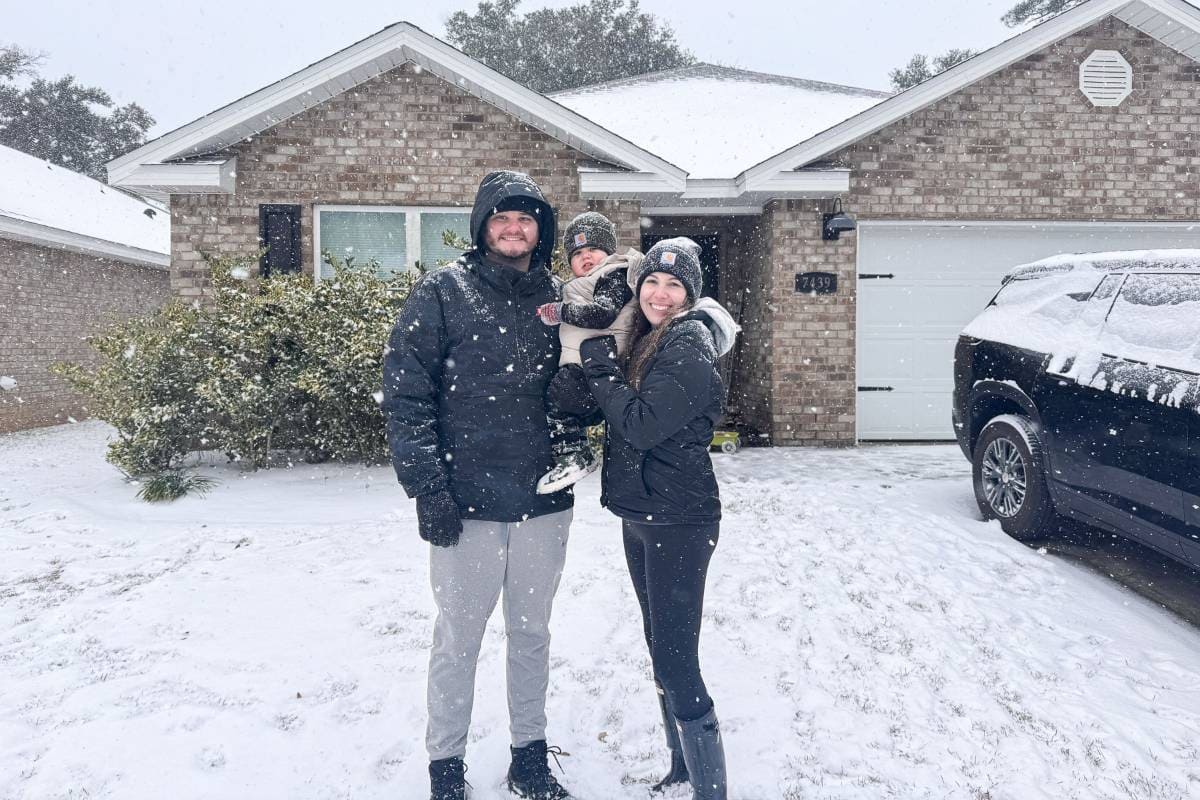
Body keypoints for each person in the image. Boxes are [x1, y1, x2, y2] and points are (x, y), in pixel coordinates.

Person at [382, 170, 576, 800]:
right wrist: (428, 489)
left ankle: (529, 757)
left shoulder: (562, 296)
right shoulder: (444, 292)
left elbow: (593, 374)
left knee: (531, 634)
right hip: (464, 504)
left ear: (540, 229)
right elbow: (408, 396)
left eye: (526, 219)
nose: (514, 229)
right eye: (501, 218)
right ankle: (445, 767)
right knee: (459, 639)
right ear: (482, 226)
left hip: (543, 499)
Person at [576, 238, 738, 800]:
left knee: (676, 659)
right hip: (643, 512)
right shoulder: (648, 340)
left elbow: (641, 425)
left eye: (673, 285)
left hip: (678, 520)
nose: (660, 294)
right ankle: (682, 767)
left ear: (691, 294)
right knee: (659, 646)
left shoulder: (688, 344)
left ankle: (709, 789)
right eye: (651, 282)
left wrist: (597, 367)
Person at [534, 211, 643, 494]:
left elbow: (603, 314)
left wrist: (561, 311)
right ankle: (574, 452)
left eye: (594, 248)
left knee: (558, 400)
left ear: (608, 252)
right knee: (559, 403)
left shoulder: (612, 275)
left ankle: (575, 456)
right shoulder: (588, 281)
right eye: (578, 252)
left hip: (594, 362)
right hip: (585, 361)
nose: (586, 256)